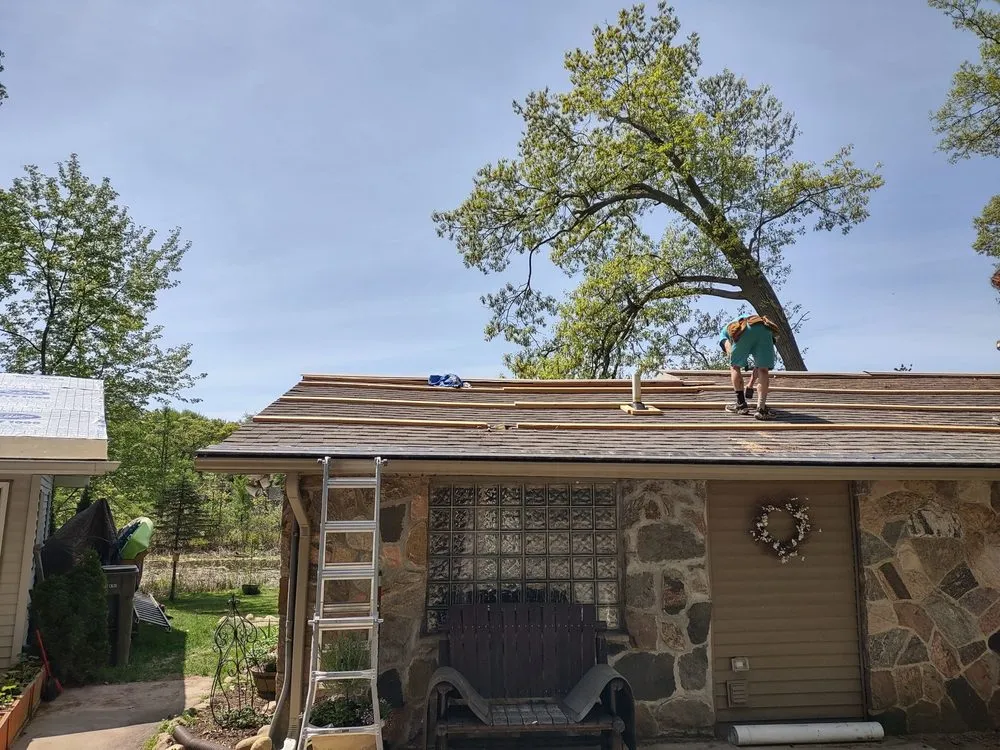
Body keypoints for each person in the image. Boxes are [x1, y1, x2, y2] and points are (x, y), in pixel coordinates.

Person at [718, 314, 780, 420]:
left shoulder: (724, 333)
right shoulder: (746, 322)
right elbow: (760, 366)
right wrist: (750, 385)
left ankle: (741, 405)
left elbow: (730, 354)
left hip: (745, 328)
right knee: (763, 369)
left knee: (735, 366)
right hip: (765, 329)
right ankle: (761, 410)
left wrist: (735, 358)